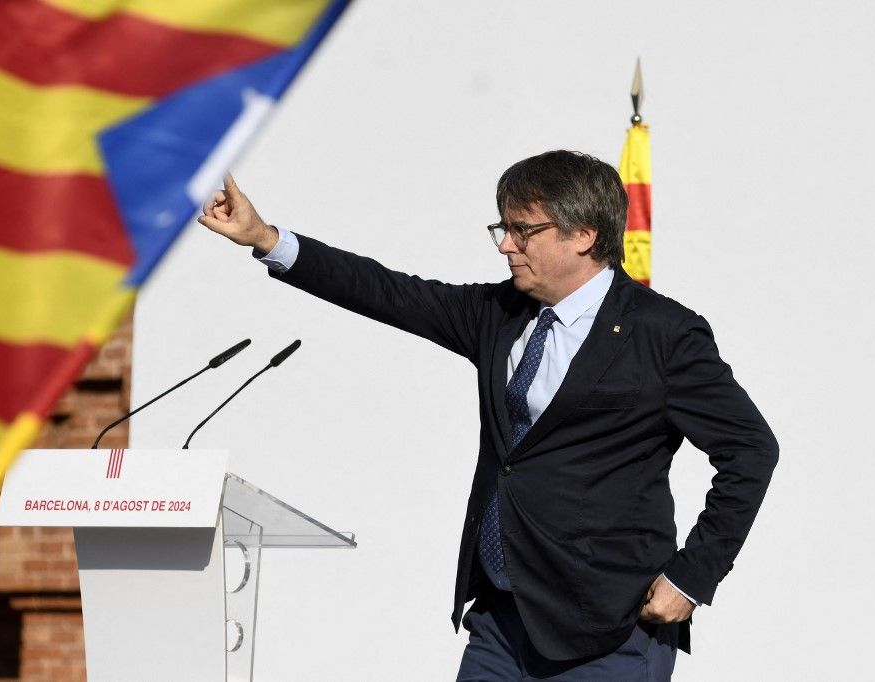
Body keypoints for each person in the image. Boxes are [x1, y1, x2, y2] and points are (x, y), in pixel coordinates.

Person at [198, 150, 778, 681]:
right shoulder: (499, 313)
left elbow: (751, 450)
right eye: (503, 229)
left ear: (585, 235)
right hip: (502, 619)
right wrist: (267, 238)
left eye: (523, 231)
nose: (506, 246)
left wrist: (692, 576)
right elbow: (388, 292)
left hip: (608, 630)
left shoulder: (662, 334)